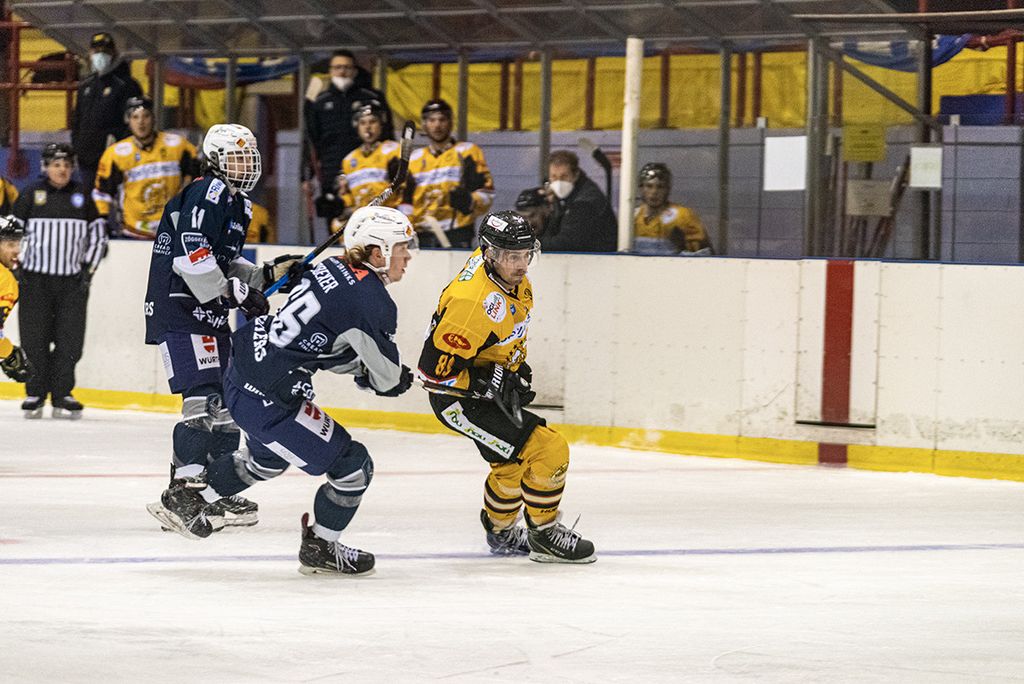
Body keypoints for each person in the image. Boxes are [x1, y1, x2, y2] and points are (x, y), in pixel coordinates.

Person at [149, 205, 418, 577]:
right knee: (354, 468)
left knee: (267, 461)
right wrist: (389, 378)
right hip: (271, 397)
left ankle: (191, 499)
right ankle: (321, 547)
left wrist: (359, 369)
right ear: (377, 252)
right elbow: (386, 380)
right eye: (402, 248)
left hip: (244, 371)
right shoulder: (372, 301)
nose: (408, 256)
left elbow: (319, 344)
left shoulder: (330, 266)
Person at [143, 123, 304, 529]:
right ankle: (183, 490)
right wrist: (238, 293)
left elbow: (224, 262)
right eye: (236, 157)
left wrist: (268, 275)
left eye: (249, 157)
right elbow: (191, 256)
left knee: (228, 405)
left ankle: (215, 491)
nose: (245, 164)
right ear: (215, 159)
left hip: (209, 311)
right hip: (180, 308)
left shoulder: (239, 203)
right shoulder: (207, 191)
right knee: (202, 399)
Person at [417, 210, 596, 564]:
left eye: (526, 254)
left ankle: (500, 533)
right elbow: (432, 374)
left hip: (476, 391)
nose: (522, 265)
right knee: (550, 449)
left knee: (511, 466)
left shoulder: (502, 275)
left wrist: (510, 366)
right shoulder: (473, 303)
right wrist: (487, 383)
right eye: (513, 256)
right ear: (490, 254)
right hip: (458, 400)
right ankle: (544, 534)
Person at [12, 143, 106, 419]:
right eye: (56, 164)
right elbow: (12, 234)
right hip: (35, 282)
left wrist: (88, 271)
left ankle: (63, 393)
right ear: (45, 167)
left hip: (72, 284)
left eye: (66, 164)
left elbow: (98, 236)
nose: (62, 169)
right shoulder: (30, 194)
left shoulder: (82, 196)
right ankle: (35, 392)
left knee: (70, 341)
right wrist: (17, 269)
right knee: (34, 340)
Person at [305, 50, 393, 232]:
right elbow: (312, 141)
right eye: (338, 67)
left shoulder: (371, 97)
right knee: (338, 226)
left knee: (372, 225)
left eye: (347, 67)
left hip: (368, 171)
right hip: (331, 171)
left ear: (354, 71)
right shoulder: (320, 102)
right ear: (330, 71)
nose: (342, 72)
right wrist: (305, 176)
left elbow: (388, 133)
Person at [93, 97, 198, 240]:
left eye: (146, 116)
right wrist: (103, 220)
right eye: (135, 117)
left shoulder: (178, 145)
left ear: (153, 118)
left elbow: (198, 177)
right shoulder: (115, 154)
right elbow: (102, 192)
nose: (141, 122)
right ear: (128, 120)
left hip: (173, 230)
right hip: (133, 233)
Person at [405, 98, 495, 248]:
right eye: (432, 120)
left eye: (442, 119)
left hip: (457, 233)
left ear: (451, 122)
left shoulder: (467, 152)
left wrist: (470, 201)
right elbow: (405, 199)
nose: (437, 125)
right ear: (424, 124)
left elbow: (487, 192)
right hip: (422, 234)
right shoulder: (414, 158)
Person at [70, 32, 143, 193]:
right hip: (86, 161)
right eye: (96, 51)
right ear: (90, 54)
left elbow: (135, 122)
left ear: (114, 54)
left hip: (114, 160)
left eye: (105, 51)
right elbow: (77, 120)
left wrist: (119, 144)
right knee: (90, 203)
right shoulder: (86, 85)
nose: (100, 55)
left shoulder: (126, 85)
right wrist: (77, 147)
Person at [539, 150, 617, 253]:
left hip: (599, 258)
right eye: (554, 177)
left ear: (575, 175)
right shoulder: (565, 197)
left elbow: (567, 242)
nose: (558, 182)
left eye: (564, 177)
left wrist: (532, 244)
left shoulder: (585, 202)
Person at [335, 100, 403, 216]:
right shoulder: (348, 160)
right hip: (361, 219)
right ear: (357, 127)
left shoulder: (394, 150)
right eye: (362, 123)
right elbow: (346, 196)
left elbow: (405, 189)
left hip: (389, 216)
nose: (367, 127)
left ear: (381, 124)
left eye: (372, 122)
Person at [633, 162, 712, 255]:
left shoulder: (683, 216)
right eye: (649, 186)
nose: (654, 192)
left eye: (660, 187)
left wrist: (684, 246)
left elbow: (705, 256)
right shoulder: (632, 217)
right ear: (641, 188)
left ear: (667, 189)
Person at [0, 216, 32, 386]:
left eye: (18, 244)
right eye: (10, 244)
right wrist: (8, 352)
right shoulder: (5, 280)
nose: (17, 250)